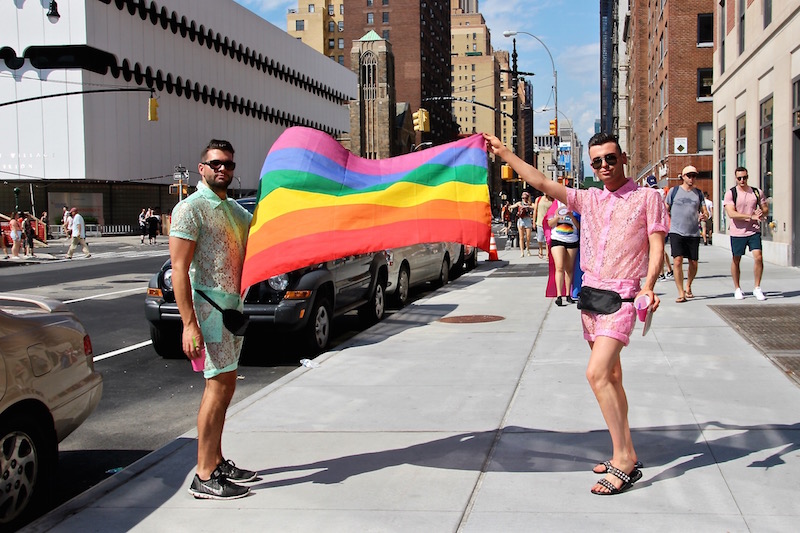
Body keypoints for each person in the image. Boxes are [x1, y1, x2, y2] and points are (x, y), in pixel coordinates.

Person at [485, 131, 667, 495]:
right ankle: (625, 449)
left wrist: (648, 285)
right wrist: (505, 152)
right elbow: (539, 181)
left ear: (624, 157)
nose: (604, 166)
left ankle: (625, 461)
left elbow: (656, 244)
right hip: (591, 299)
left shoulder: (648, 198)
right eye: (597, 161)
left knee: (596, 374)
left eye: (610, 159)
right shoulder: (588, 199)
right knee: (612, 376)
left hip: (624, 298)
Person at [170, 139, 255, 500]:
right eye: (216, 163)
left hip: (233, 309)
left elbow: (265, 235)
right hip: (209, 310)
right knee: (217, 386)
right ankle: (204, 474)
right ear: (202, 167)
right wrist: (189, 323)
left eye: (229, 165)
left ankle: (216, 460)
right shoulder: (190, 209)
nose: (224, 169)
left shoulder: (236, 211)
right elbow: (178, 267)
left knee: (226, 386)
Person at [665, 166, 709, 302]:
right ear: (683, 177)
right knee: (677, 261)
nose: (691, 178)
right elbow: (665, 209)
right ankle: (680, 292)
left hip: (693, 233)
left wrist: (704, 216)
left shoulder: (698, 194)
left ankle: (688, 285)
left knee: (693, 263)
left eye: (694, 176)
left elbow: (705, 211)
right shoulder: (674, 191)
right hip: (676, 231)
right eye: (689, 175)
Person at [723, 166, 768, 300]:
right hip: (737, 232)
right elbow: (731, 213)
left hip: (753, 230)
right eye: (739, 178)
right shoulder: (731, 193)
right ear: (736, 178)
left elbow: (765, 208)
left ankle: (757, 287)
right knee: (736, 259)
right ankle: (737, 288)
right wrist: (750, 216)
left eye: (745, 177)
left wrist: (761, 212)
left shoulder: (756, 192)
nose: (742, 180)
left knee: (758, 257)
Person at [547, 199, 580, 306]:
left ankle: (568, 294)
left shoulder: (576, 206)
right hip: (557, 239)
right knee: (560, 267)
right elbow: (549, 223)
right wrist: (557, 217)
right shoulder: (555, 205)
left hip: (572, 239)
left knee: (569, 268)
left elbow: (579, 226)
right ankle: (559, 295)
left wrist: (571, 215)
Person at [510, 192, 535, 257]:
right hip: (521, 220)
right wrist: (517, 206)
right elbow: (512, 206)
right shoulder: (519, 203)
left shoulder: (530, 204)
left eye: (526, 198)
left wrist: (528, 206)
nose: (524, 199)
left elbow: (535, 207)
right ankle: (522, 251)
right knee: (521, 237)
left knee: (528, 237)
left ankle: (528, 249)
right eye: (523, 198)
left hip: (528, 219)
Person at [533, 193, 553, 259]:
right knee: (540, 239)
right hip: (540, 222)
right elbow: (535, 211)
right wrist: (534, 222)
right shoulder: (538, 199)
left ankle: (547, 254)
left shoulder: (552, 200)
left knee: (548, 240)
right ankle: (540, 249)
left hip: (548, 223)